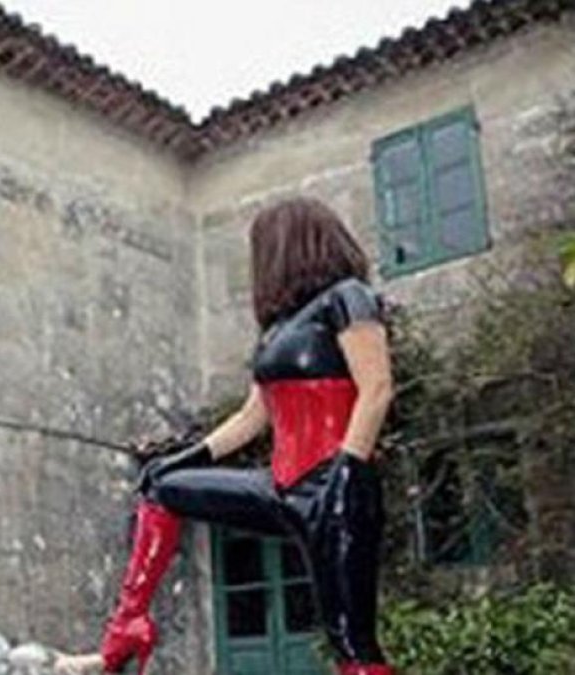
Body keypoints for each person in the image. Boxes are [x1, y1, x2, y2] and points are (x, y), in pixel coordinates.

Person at [62, 197, 396, 675]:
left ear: (289, 245)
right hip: (282, 488)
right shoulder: (277, 330)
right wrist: (182, 459)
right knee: (162, 488)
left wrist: (347, 469)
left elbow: (377, 388)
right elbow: (252, 417)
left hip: (339, 491)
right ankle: (127, 629)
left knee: (353, 645)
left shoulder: (349, 297)